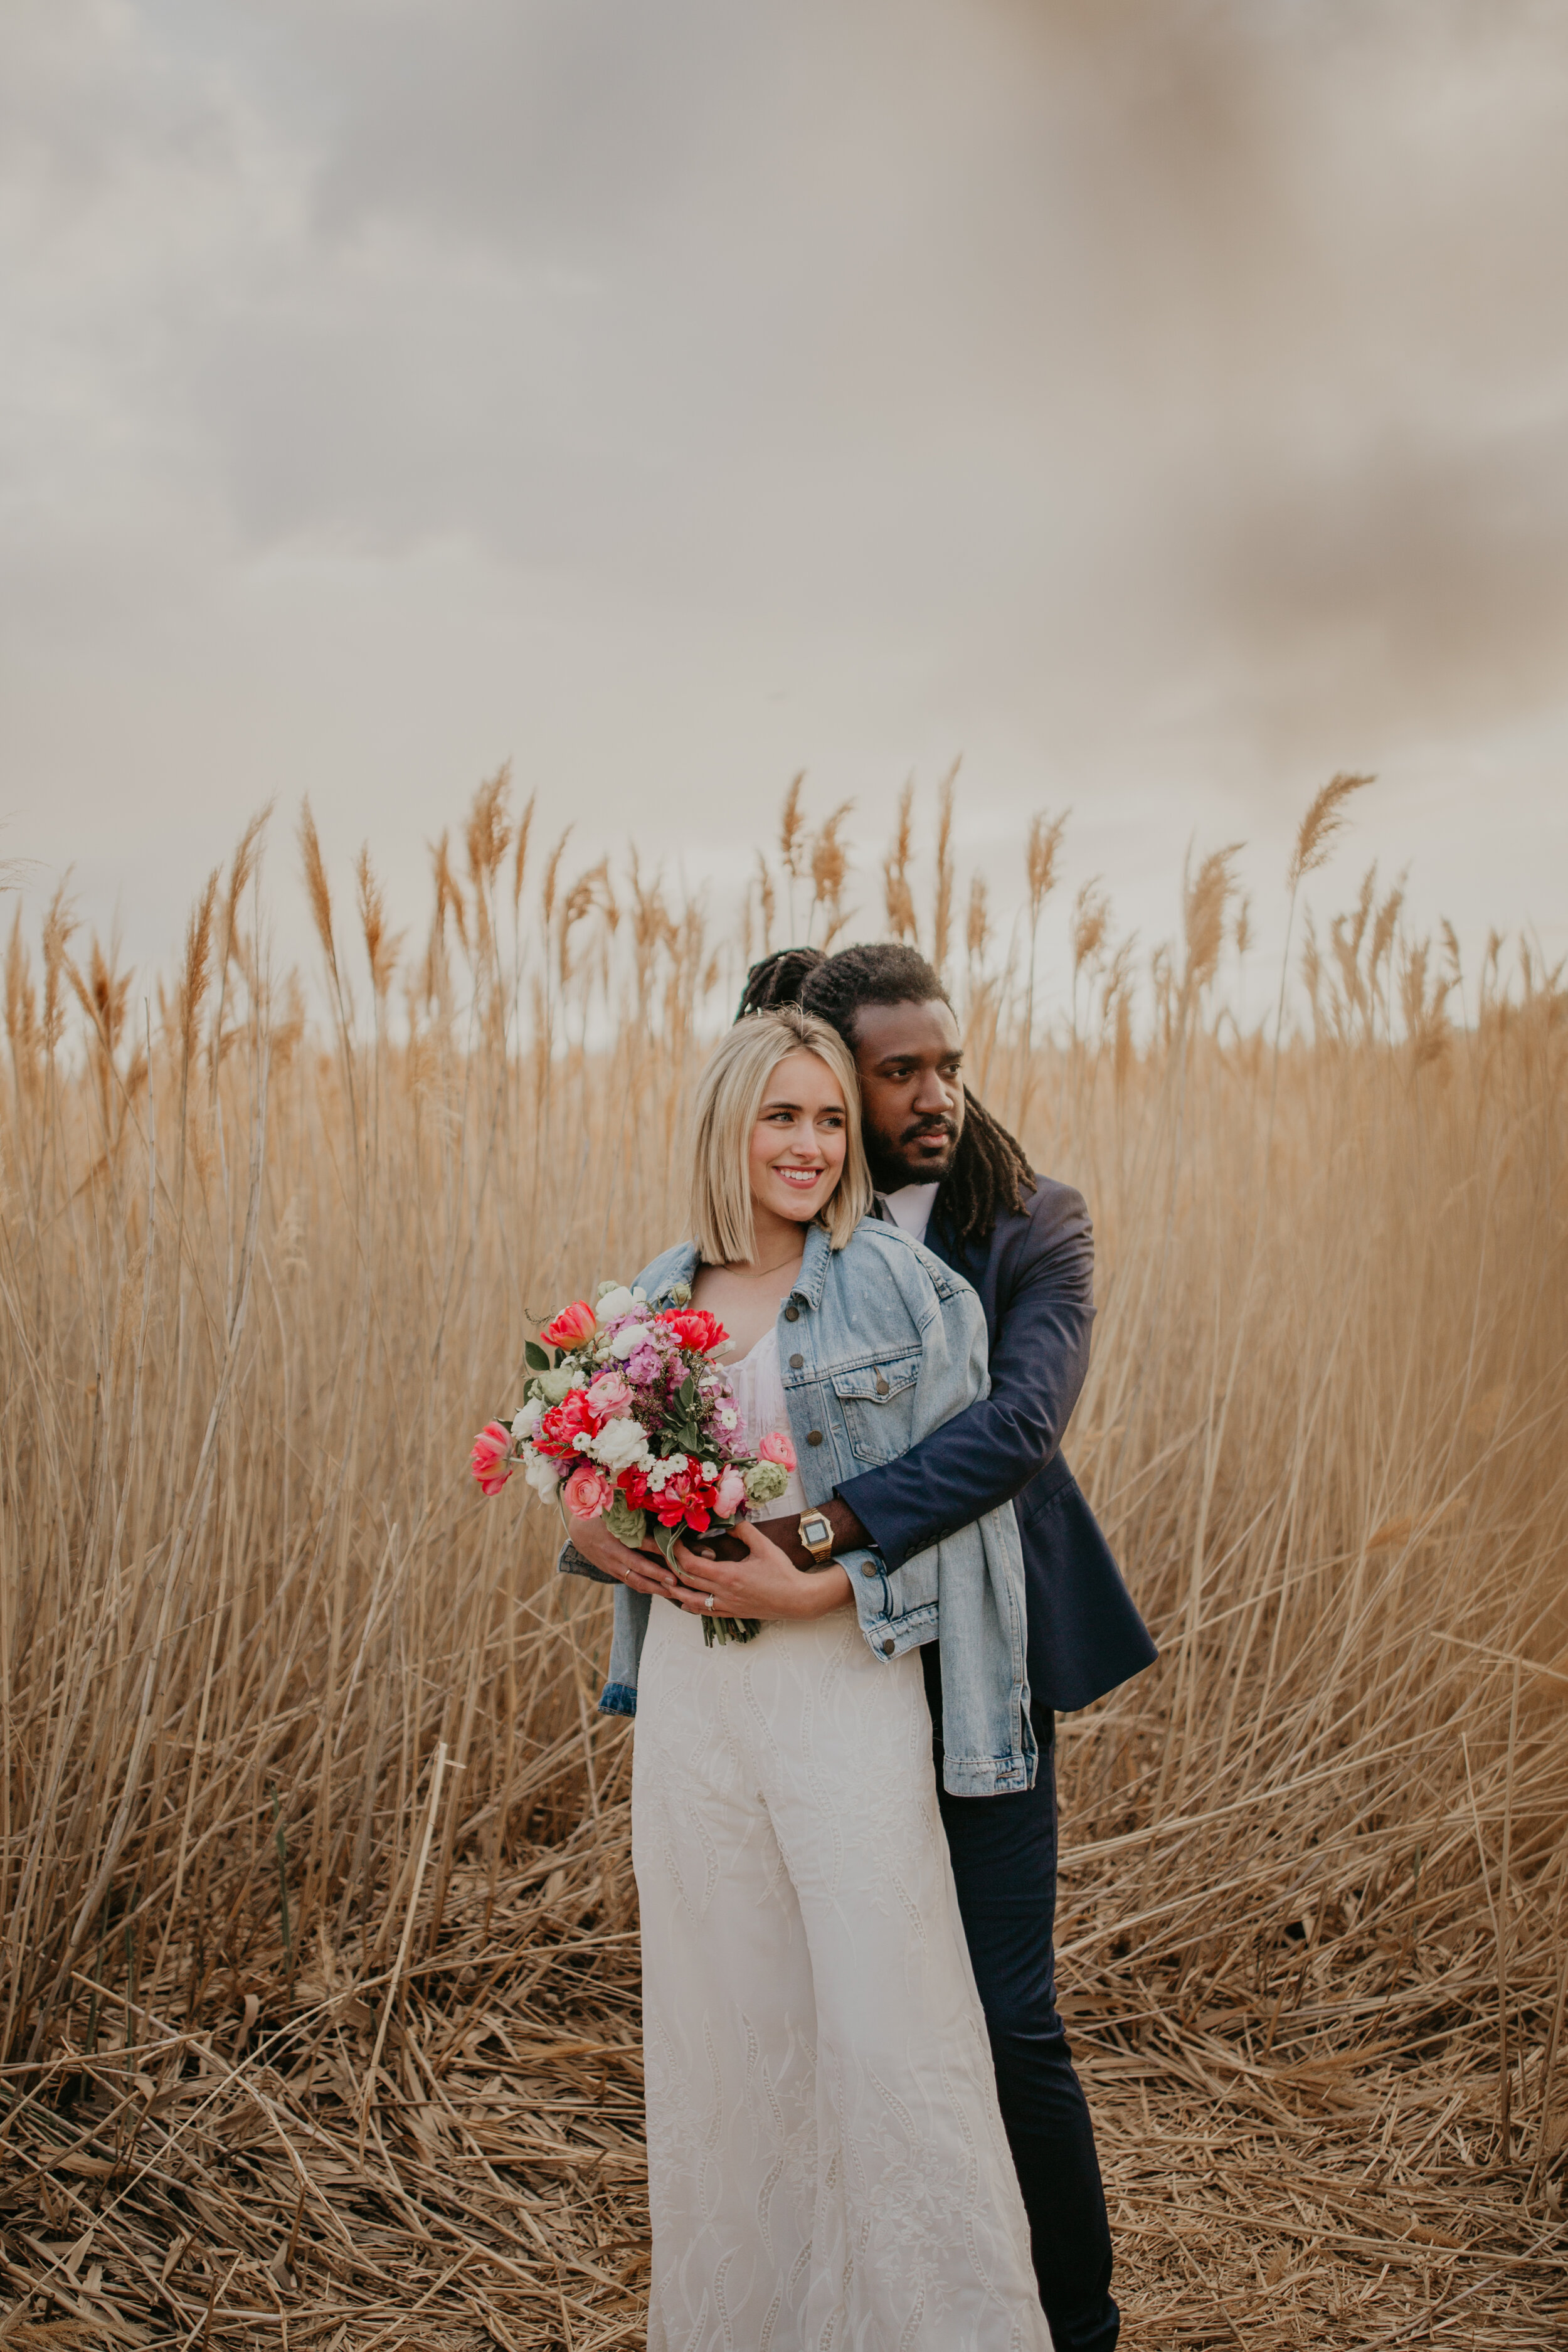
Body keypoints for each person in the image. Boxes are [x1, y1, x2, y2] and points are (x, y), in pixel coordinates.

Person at [561, 1005, 1052, 2351]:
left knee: (890, 2029)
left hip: (841, 1694)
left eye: (830, 1119)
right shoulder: (648, 1299)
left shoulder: (900, 1289)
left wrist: (825, 1576)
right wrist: (588, 1524)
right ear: (728, 1121)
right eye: (782, 1115)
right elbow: (603, 1496)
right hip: (696, 1714)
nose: (811, 1145)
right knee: (725, 2030)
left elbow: (967, 1516)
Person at [719, 941, 1159, 2352]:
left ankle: (1075, 2326)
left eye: (948, 1066)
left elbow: (1017, 1430)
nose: (936, 1096)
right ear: (823, 1078)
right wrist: (607, 1531)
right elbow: (707, 1408)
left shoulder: (1036, 1224)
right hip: (819, 1681)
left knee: (1006, 2013)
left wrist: (825, 1538)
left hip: (985, 1660)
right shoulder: (769, 1231)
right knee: (847, 2008)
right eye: (896, 1070)